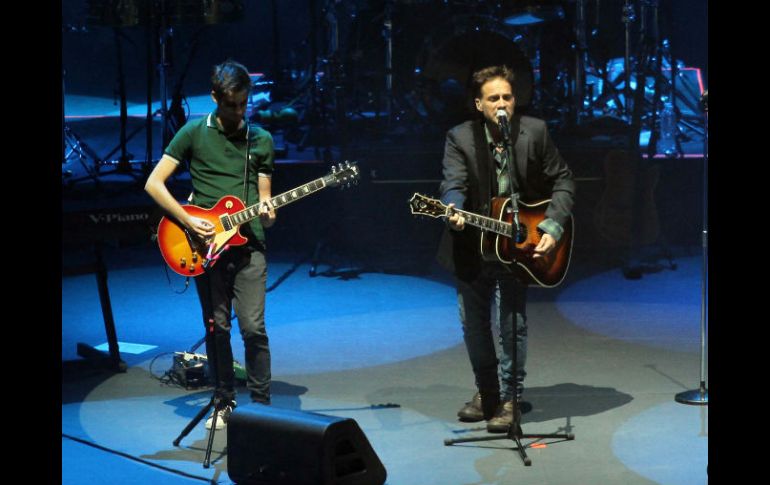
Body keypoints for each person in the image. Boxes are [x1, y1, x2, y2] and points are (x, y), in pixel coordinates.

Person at [437, 65, 575, 432]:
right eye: (493, 98)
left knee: (512, 324)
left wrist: (553, 225)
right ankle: (487, 392)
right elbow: (453, 183)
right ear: (479, 104)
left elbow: (562, 180)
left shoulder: (534, 132)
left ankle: (511, 398)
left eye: (507, 97)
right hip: (472, 242)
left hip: (520, 244)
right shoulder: (460, 137)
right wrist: (452, 208)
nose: (502, 104)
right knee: (474, 325)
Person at [145, 60, 277, 430]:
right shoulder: (192, 133)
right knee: (217, 327)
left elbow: (265, 201)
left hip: (249, 246)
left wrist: (267, 213)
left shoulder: (261, 139)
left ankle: (263, 407)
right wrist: (189, 220)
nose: (239, 112)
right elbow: (154, 184)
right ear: (215, 97)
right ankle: (224, 400)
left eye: (244, 104)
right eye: (231, 104)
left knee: (253, 328)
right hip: (205, 248)